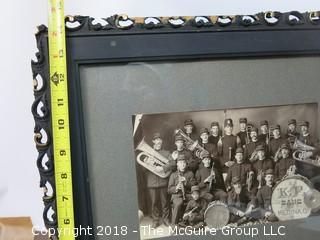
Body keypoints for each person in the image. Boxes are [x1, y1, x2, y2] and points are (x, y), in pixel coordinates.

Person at [145, 132, 174, 228]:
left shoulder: (166, 153)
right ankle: (155, 220)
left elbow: (173, 164)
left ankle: (166, 219)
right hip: (152, 182)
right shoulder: (147, 153)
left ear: (162, 141)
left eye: (160, 139)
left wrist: (163, 168)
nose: (158, 141)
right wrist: (147, 163)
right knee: (153, 203)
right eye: (156, 140)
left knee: (165, 202)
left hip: (163, 181)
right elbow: (142, 168)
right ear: (153, 141)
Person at [168, 155, 196, 225]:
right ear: (177, 164)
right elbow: (169, 190)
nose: (182, 164)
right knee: (178, 203)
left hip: (188, 194)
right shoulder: (173, 175)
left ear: (186, 164)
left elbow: (194, 185)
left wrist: (186, 182)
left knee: (197, 200)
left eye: (184, 162)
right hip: (177, 196)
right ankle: (174, 225)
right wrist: (176, 188)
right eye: (180, 163)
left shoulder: (190, 173)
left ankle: (190, 221)